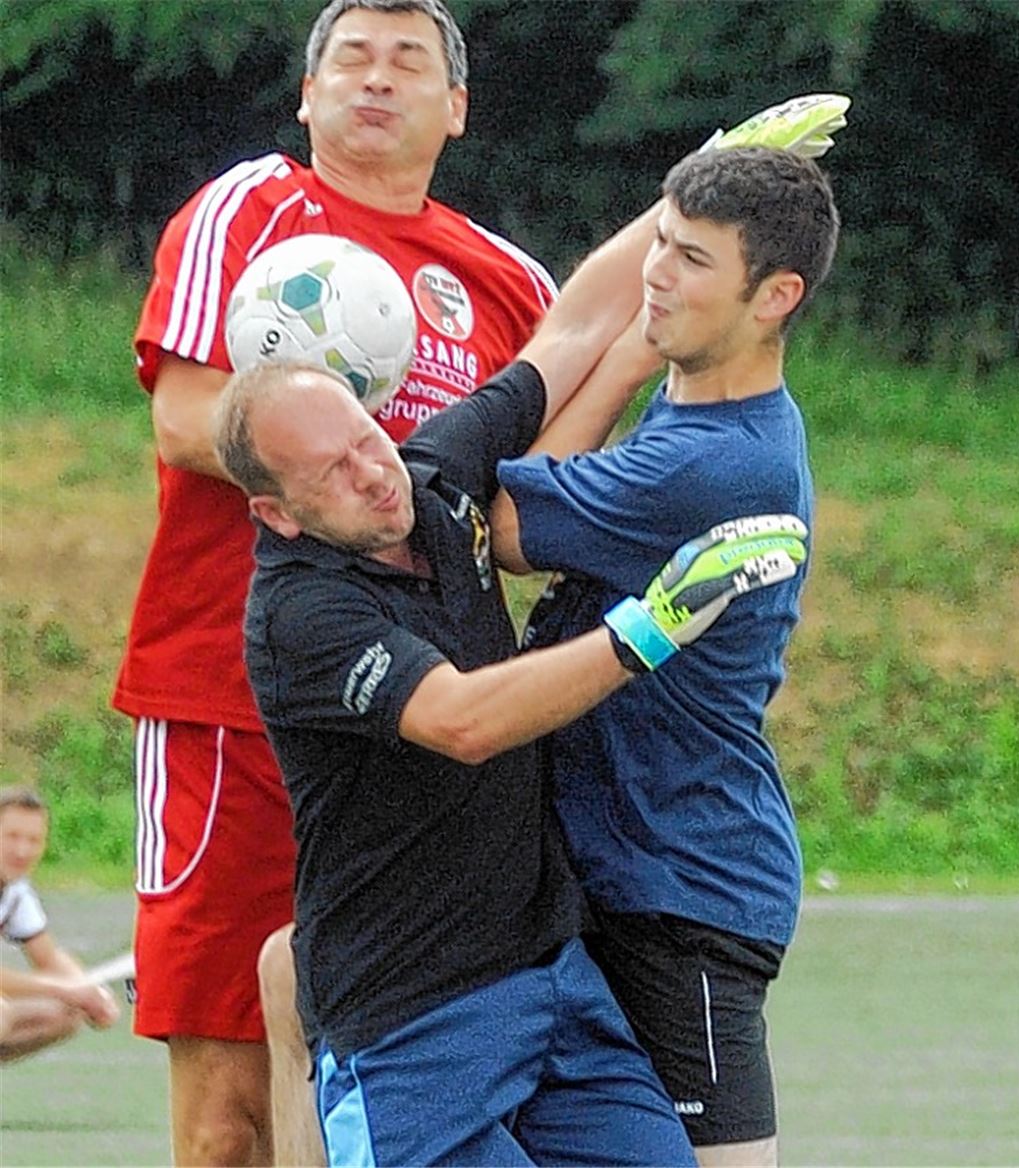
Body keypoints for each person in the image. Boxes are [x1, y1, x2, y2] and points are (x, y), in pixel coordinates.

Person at [212, 177, 807, 1162]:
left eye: (365, 438)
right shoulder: (300, 614)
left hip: (554, 986)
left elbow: (570, 334)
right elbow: (464, 719)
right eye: (332, 474)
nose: (372, 473)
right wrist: (651, 625)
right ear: (276, 513)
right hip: (410, 1019)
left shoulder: (428, 478)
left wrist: (699, 173)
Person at [113, 1, 560, 1161]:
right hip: (232, 704)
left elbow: (532, 506)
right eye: (350, 57)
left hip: (426, 727)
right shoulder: (252, 209)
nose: (376, 78)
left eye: (408, 60)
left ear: (456, 108)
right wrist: (365, 464)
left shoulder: (508, 281)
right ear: (307, 95)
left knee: (424, 1086)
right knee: (230, 1116)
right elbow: (184, 418)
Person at [491, 145, 841, 1167]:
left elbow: (504, 523)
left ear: (775, 297)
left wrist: (620, 357)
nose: (655, 273)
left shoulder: (711, 465)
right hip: (621, 867)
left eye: (691, 259)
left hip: (678, 886)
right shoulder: (704, 401)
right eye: (660, 242)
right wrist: (639, 350)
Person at [0, 787, 120, 1061]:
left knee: (64, 1013)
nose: (22, 850)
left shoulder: (16, 891)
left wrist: (91, 991)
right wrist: (63, 989)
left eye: (34, 840)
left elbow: (48, 958)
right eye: (12, 836)